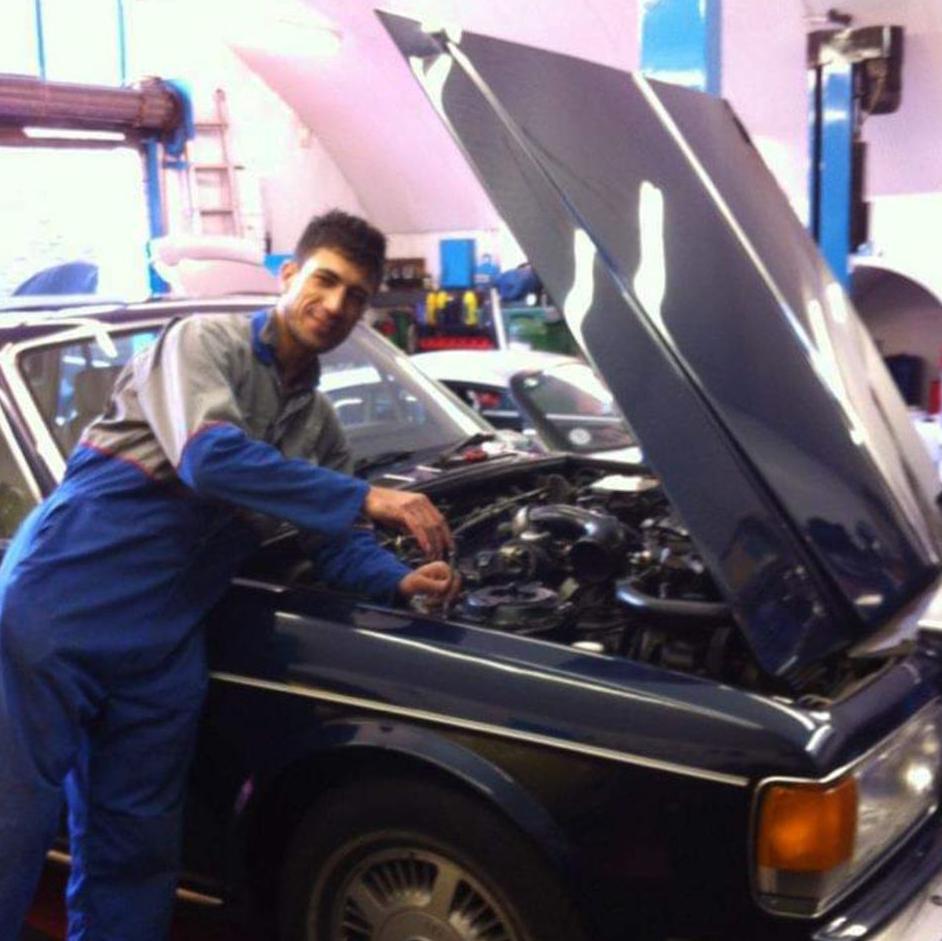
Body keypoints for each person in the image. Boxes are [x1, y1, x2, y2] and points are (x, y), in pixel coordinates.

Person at [0, 209, 458, 940]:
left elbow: (333, 541)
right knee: (11, 822)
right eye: (325, 279)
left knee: (138, 845)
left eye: (356, 295)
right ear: (288, 276)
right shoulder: (201, 342)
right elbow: (209, 459)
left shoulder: (318, 425)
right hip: (61, 606)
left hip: (165, 640)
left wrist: (399, 583)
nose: (336, 304)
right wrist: (370, 495)